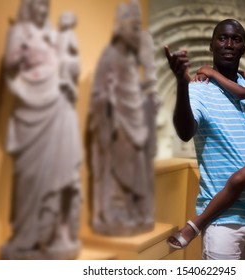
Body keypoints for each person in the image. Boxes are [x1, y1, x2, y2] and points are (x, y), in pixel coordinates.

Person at [165, 19, 245, 260]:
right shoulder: (199, 90)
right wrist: (182, 85)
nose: (229, 44)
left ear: (244, 49)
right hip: (222, 221)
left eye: (236, 39)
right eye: (222, 38)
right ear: (211, 46)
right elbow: (185, 131)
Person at [1, 0, 82, 259]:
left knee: (57, 171)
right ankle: (27, 236)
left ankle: (54, 232)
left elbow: (64, 65)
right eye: (38, 4)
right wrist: (27, 48)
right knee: (30, 174)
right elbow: (10, 64)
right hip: (31, 105)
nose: (43, 10)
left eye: (46, 5)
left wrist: (64, 77)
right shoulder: (20, 32)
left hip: (56, 104)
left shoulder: (51, 34)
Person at [88, 0, 159, 236]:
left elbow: (140, 84)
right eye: (134, 28)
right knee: (118, 170)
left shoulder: (131, 58)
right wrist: (106, 104)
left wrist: (146, 99)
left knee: (136, 169)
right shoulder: (109, 56)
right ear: (121, 28)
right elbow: (97, 92)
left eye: (140, 27)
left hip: (135, 121)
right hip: (117, 123)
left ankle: (131, 210)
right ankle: (115, 212)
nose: (138, 33)